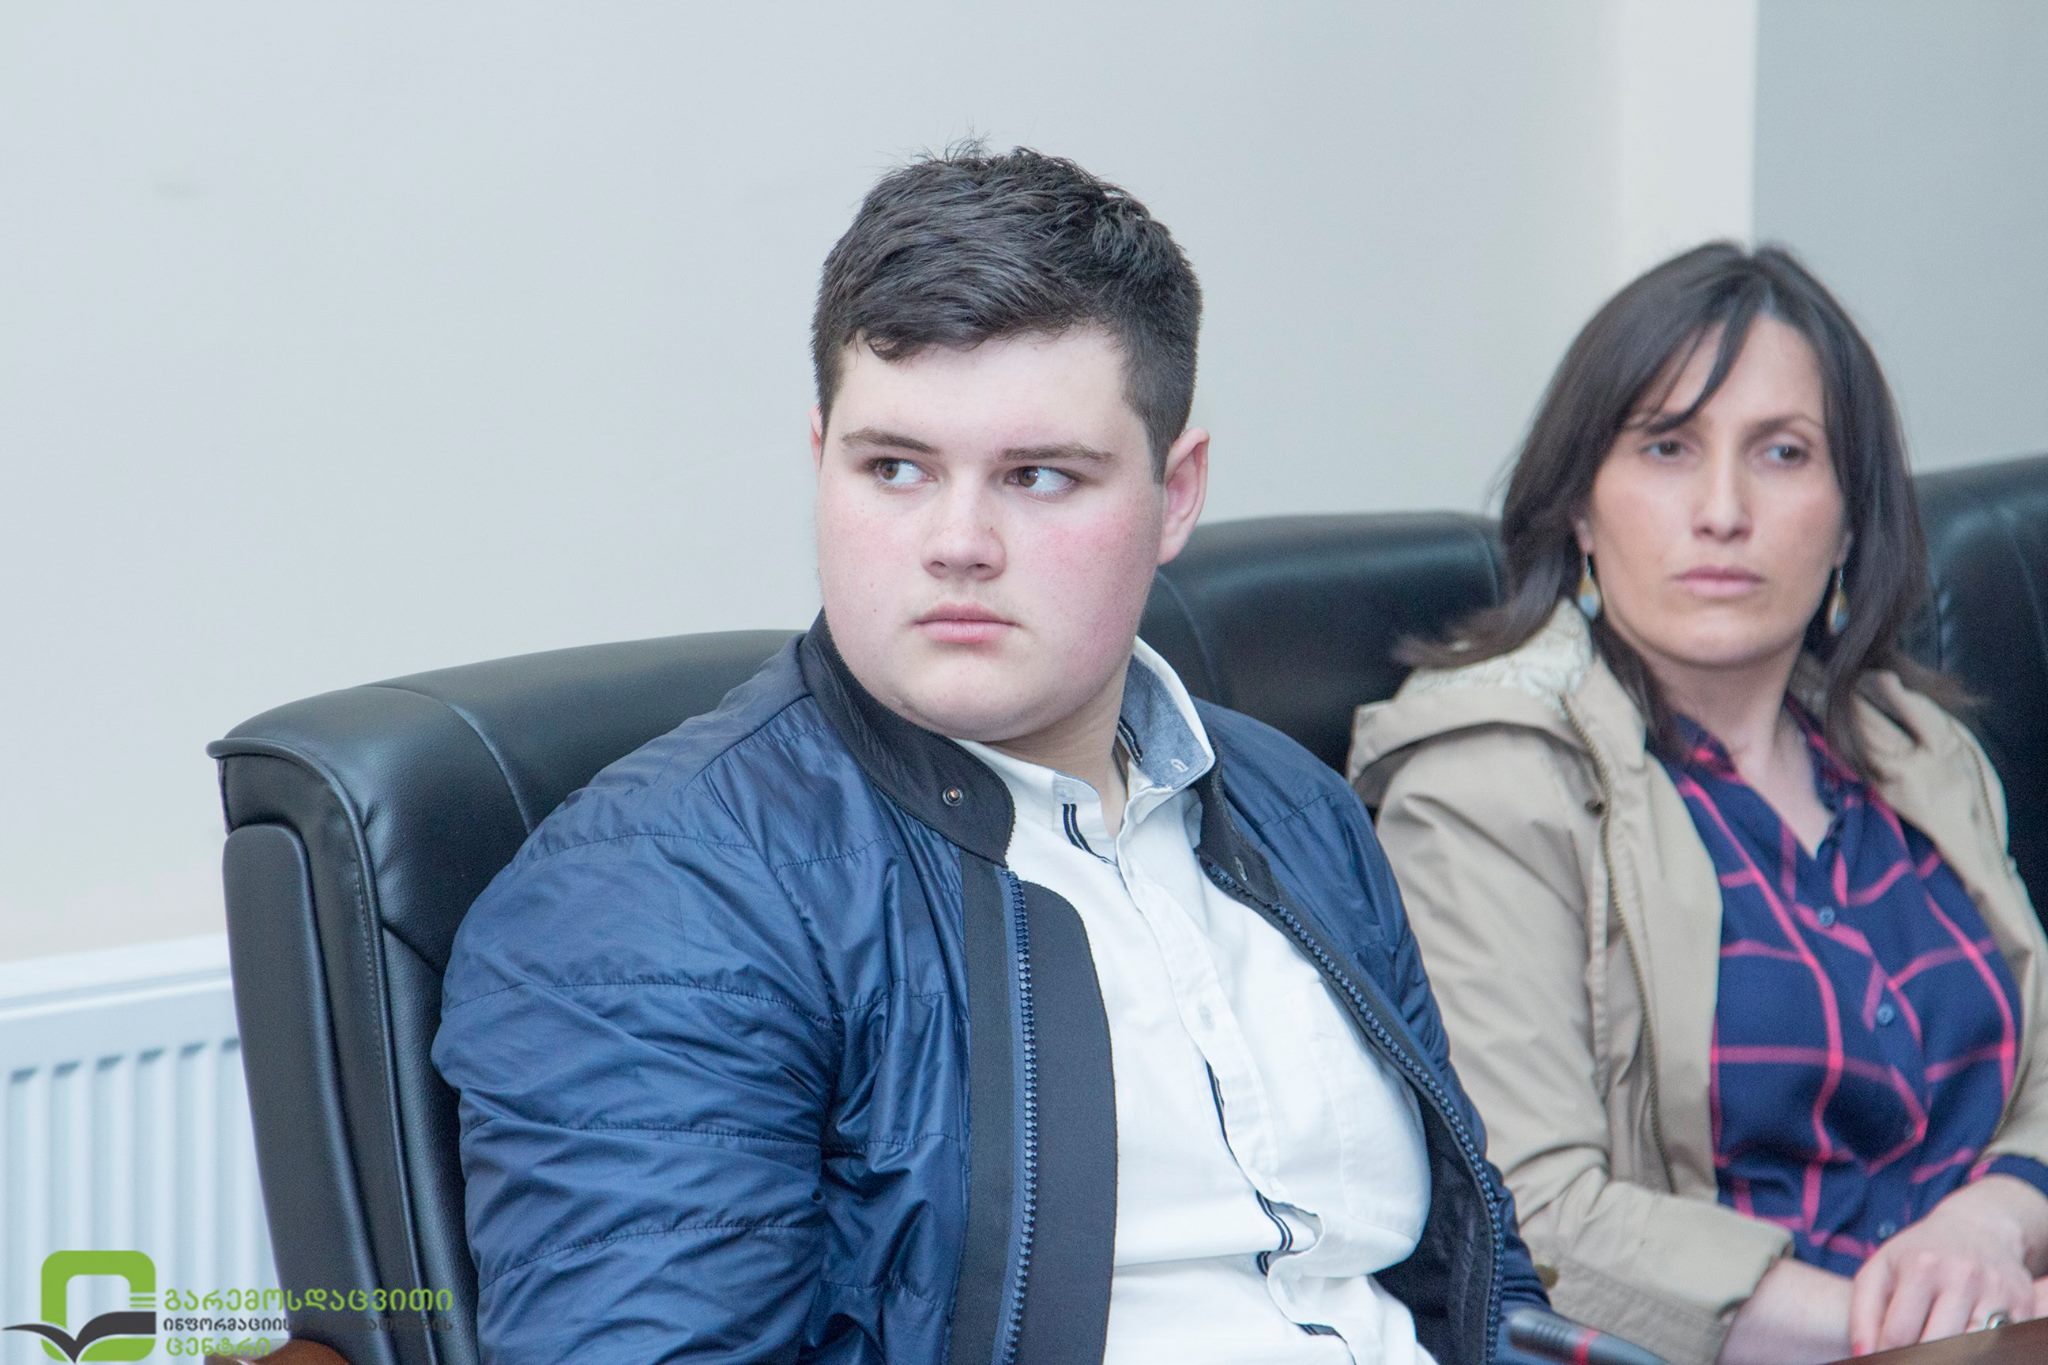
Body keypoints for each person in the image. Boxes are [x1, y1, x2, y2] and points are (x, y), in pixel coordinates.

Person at [432, 145, 1546, 1363]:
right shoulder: (653, 898)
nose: (956, 542)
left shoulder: (1292, 804)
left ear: (1175, 495)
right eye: (894, 468)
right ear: (819, 460)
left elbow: (1472, 1275)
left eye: (1038, 477)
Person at [1349, 242, 2048, 1365]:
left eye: (1782, 452)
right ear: (1581, 508)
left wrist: (1992, 1222)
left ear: (1850, 517)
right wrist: (1924, 1334)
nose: (1722, 510)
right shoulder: (1485, 784)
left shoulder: (1918, 749)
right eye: (1667, 447)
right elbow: (1535, 1216)